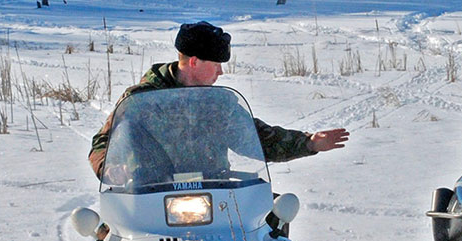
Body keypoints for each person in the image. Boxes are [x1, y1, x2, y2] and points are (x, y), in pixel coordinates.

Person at [89, 21, 350, 179]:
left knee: (274, 224)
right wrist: (109, 168)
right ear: (194, 62)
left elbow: (259, 139)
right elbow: (103, 143)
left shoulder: (217, 104)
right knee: (110, 240)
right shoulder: (141, 99)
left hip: (215, 196)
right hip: (151, 198)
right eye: (216, 64)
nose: (221, 72)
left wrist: (308, 143)